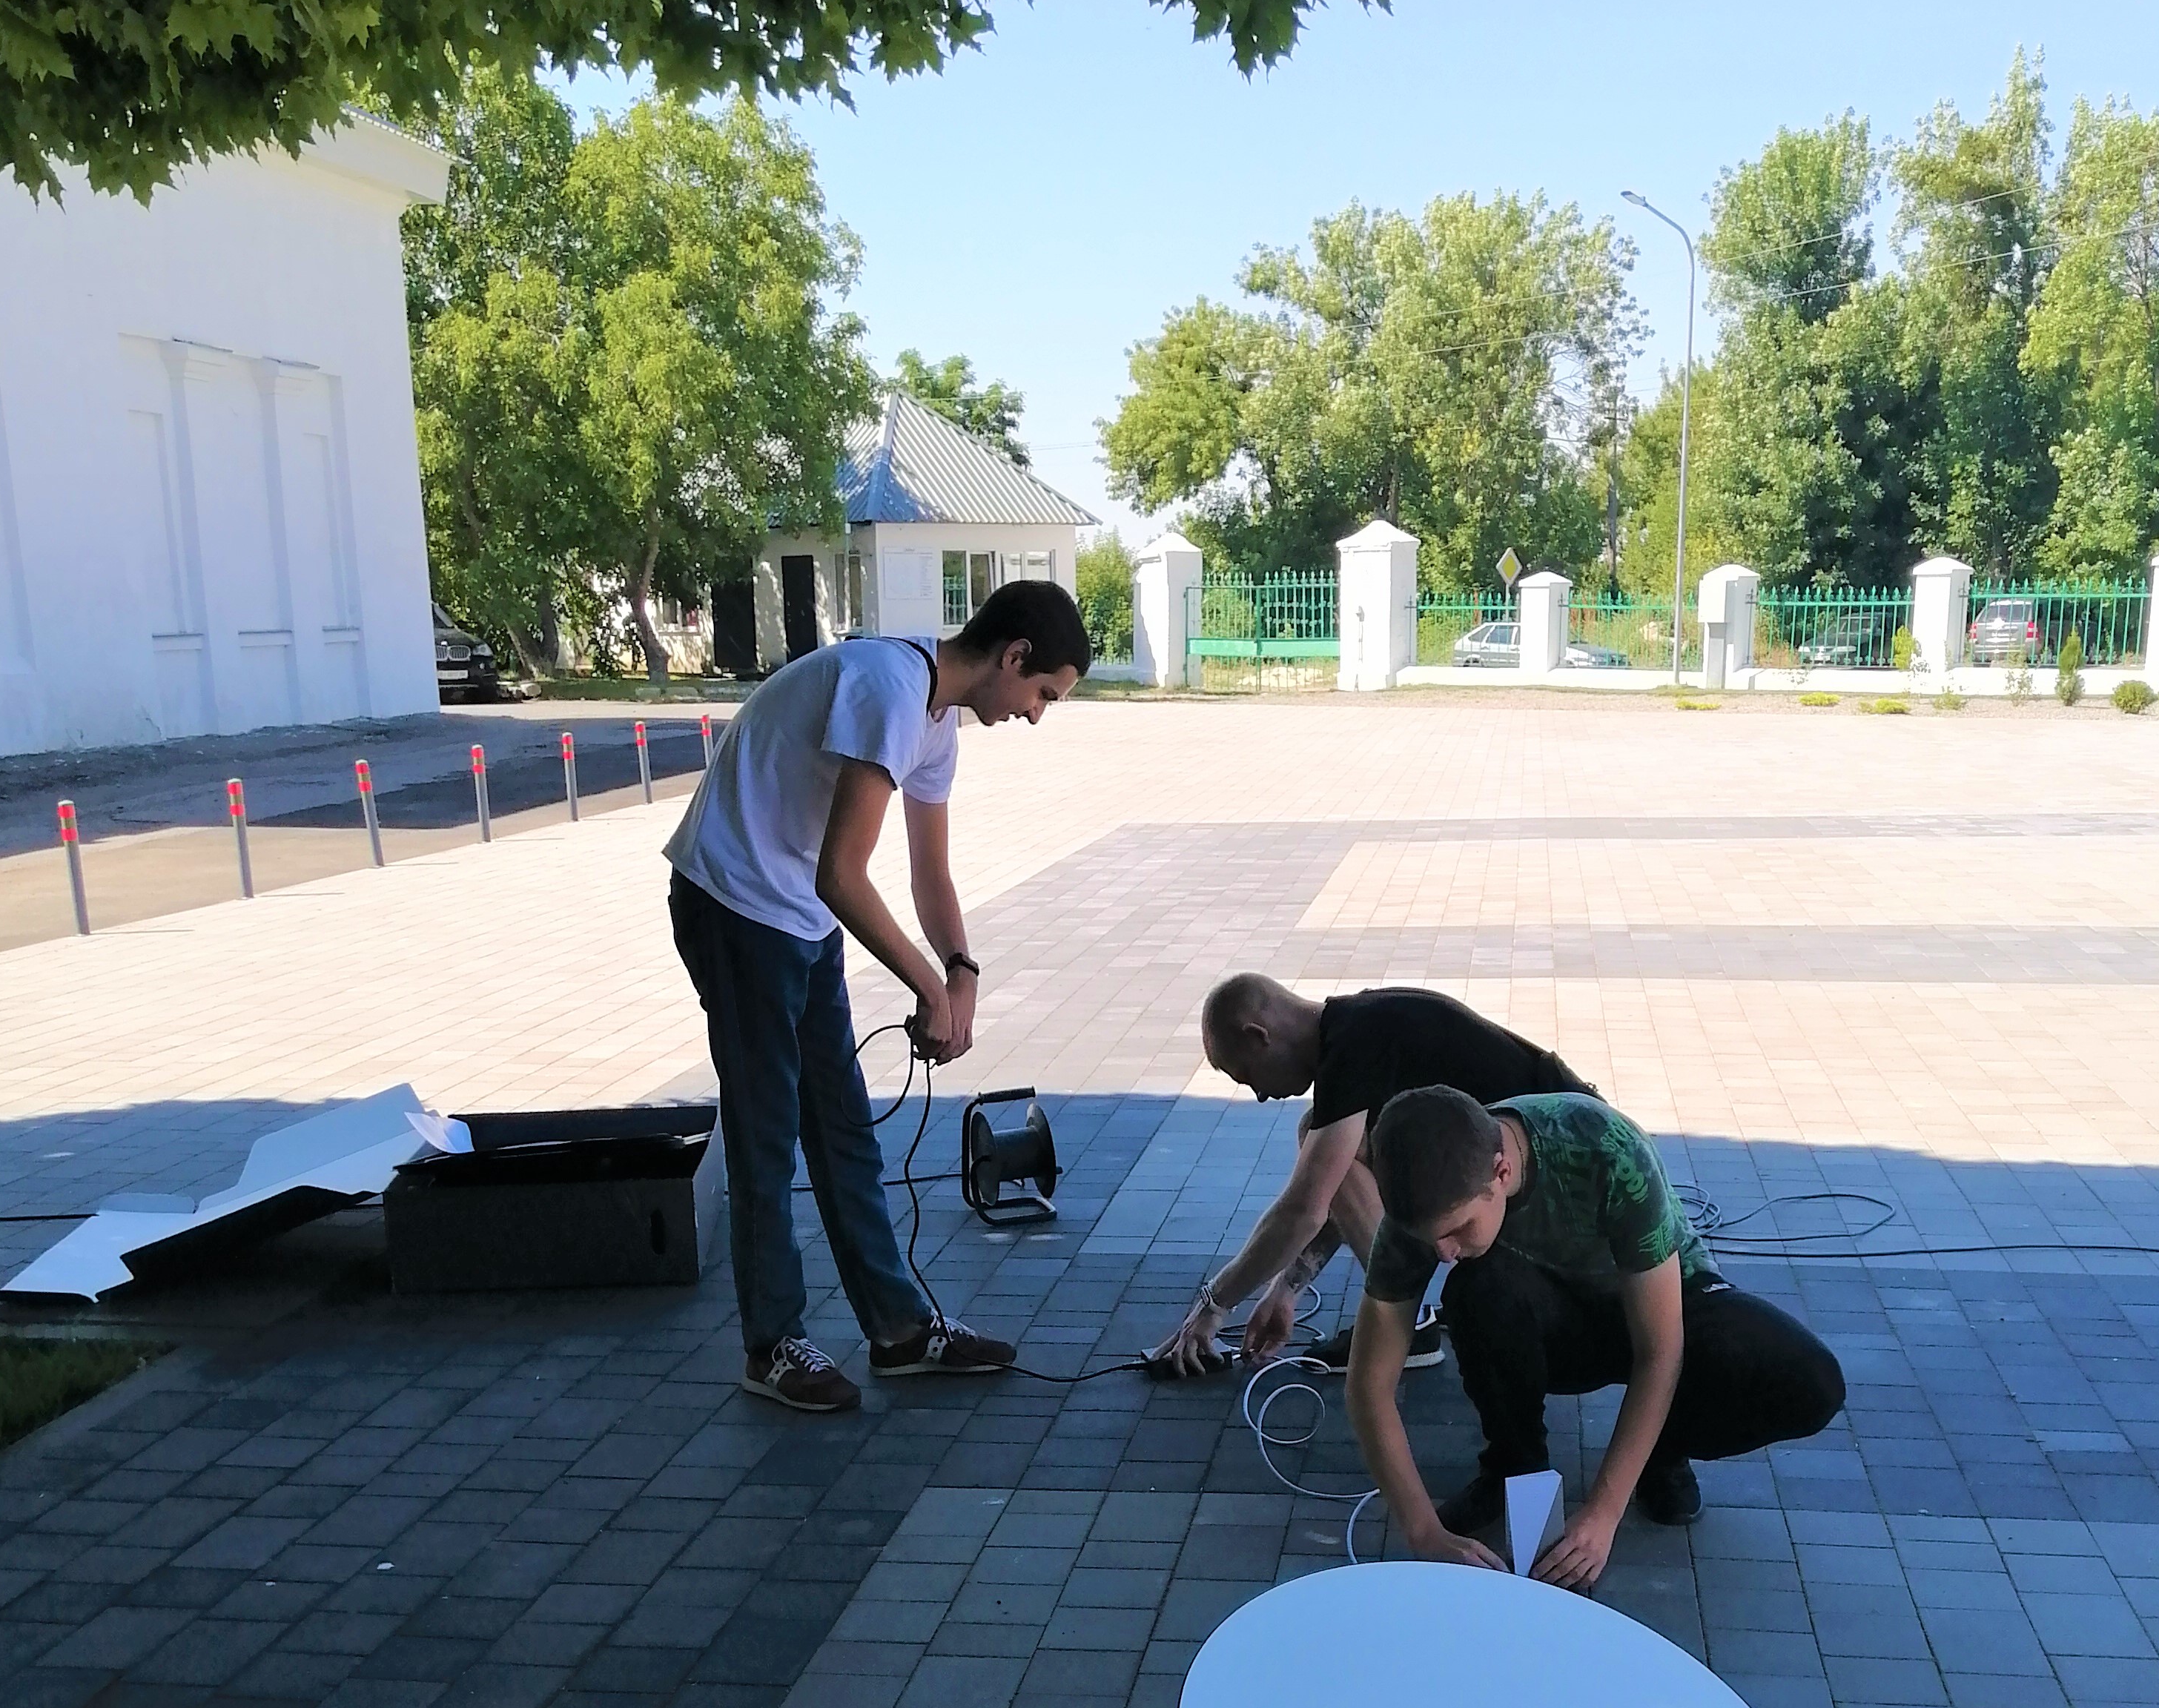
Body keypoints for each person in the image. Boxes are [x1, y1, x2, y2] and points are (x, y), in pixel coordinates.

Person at [666, 580, 1090, 1412]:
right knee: (767, 1133)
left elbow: (928, 874)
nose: (1037, 714)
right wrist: (928, 988)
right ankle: (771, 1344)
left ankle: (899, 1330)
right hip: (733, 901)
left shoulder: (936, 723)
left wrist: (961, 972)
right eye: (1043, 693)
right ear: (1013, 657)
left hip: (795, 912)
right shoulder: (890, 689)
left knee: (845, 1130)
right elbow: (843, 873)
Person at [1346, 1084, 1845, 1589]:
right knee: (1477, 1286)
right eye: (1432, 1239)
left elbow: (1660, 1348)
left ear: (1501, 1173)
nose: (1444, 1252)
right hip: (1561, 1323)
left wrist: (1603, 1514)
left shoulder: (1603, 1148)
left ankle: (1659, 1451)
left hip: (1667, 1302)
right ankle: (1515, 1469)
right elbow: (1369, 1385)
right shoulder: (1417, 1217)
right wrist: (1425, 1532)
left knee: (1811, 1382)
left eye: (1458, 1229)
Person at [1158, 978, 1593, 1375]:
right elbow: (1335, 1190)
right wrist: (1286, 1288)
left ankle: (1405, 1323)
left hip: (1570, 1182)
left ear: (1259, 1036)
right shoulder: (1361, 1023)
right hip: (1542, 1162)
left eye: (1248, 1075)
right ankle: (1409, 1316)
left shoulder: (1356, 1044)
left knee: (1317, 1136)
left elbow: (1304, 1209)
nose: (1260, 1096)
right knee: (1324, 1139)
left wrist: (1213, 1306)